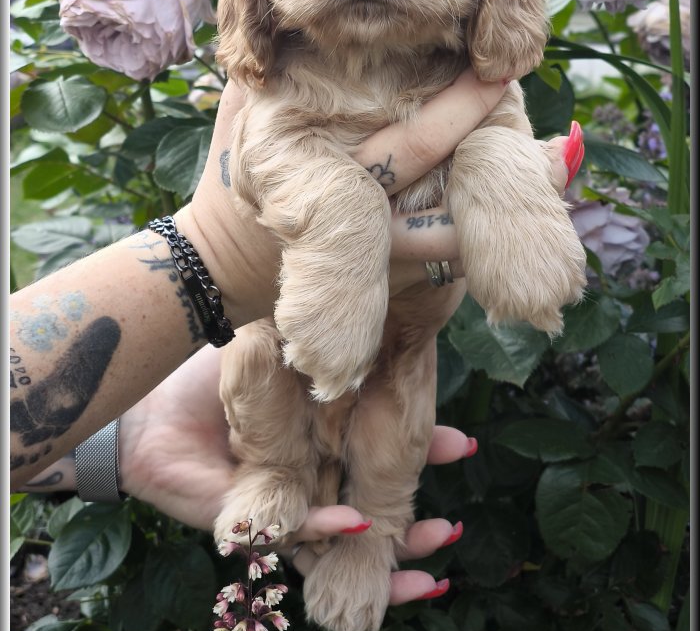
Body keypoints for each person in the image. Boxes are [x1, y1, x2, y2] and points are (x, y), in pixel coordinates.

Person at [10, 70, 579, 601]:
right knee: (261, 356)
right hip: (273, 339)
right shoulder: (295, 69)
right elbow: (270, 147)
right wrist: (223, 256)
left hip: (403, 347)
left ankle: (372, 534)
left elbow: (501, 126)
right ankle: (273, 475)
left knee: (397, 396)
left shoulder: (474, 71)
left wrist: (505, 179)